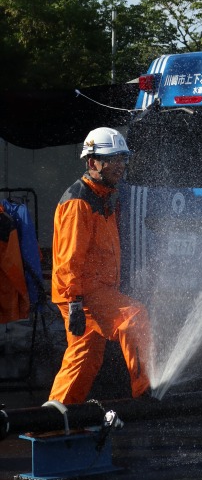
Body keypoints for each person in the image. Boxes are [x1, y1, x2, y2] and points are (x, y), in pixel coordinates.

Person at [48, 127, 153, 404]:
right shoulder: (79, 203)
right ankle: (145, 393)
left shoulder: (103, 196)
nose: (120, 166)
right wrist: (74, 303)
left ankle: (56, 419)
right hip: (83, 293)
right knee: (134, 317)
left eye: (122, 159)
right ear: (93, 162)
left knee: (85, 359)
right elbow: (69, 258)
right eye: (112, 160)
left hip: (91, 290)